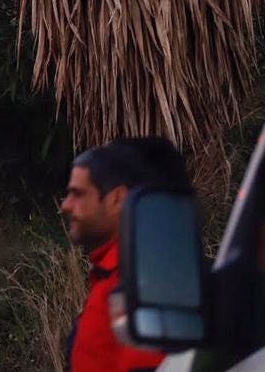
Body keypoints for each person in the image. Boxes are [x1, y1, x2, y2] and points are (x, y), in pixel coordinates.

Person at [61, 140, 183, 372]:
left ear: (117, 200)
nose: (66, 205)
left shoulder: (144, 284)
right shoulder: (112, 276)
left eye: (77, 194)